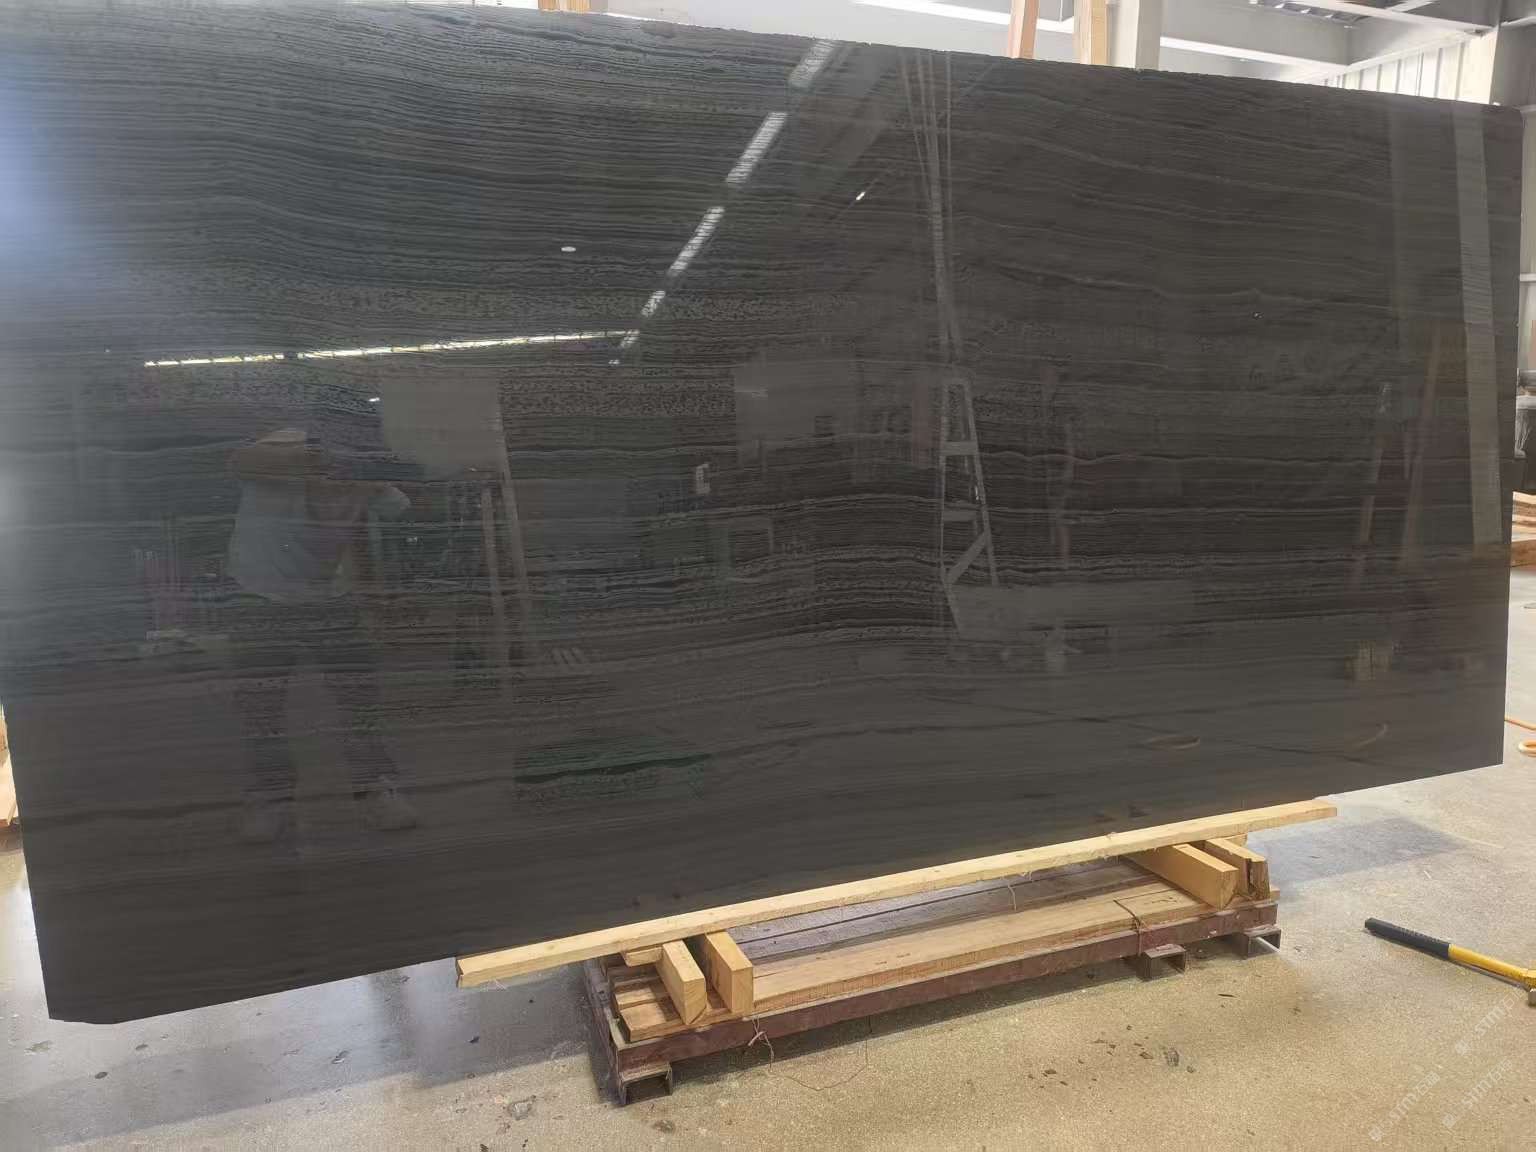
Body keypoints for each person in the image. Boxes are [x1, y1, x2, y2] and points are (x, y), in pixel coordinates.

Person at [226, 425, 418, 842]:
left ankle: (374, 788)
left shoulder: (369, 476)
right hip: (260, 594)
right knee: (261, 706)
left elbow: (384, 515)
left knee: (359, 699)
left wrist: (374, 598)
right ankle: (271, 797)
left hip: (331, 596)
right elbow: (239, 461)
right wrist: (320, 461)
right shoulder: (286, 443)